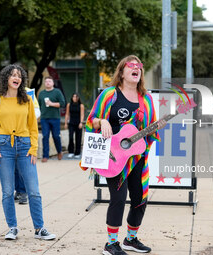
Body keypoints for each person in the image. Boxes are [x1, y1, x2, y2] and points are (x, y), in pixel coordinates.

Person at [83, 55, 166, 255]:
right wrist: (102, 122)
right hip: (115, 157)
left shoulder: (145, 99)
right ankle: (111, 243)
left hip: (137, 158)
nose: (137, 68)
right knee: (118, 198)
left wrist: (155, 128)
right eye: (132, 65)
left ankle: (131, 239)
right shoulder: (109, 94)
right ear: (122, 72)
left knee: (140, 198)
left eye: (140, 66)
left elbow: (149, 130)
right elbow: (91, 119)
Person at [0, 64, 56, 240]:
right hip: (4, 147)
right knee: (8, 191)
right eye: (13, 75)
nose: (16, 77)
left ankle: (39, 229)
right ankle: (12, 228)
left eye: (19, 75)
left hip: (25, 147)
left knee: (33, 190)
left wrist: (34, 148)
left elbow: (33, 126)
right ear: (6, 79)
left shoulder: (27, 100)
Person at [14, 88, 41, 205]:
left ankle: (23, 192)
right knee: (14, 168)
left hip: (24, 137)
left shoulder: (28, 93)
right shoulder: (4, 95)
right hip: (8, 138)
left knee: (22, 168)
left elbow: (37, 112)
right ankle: (18, 190)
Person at [38, 76, 65, 162]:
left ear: (53, 83)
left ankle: (59, 151)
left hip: (55, 118)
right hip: (44, 118)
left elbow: (62, 103)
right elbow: (38, 105)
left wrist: (51, 104)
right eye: (46, 82)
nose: (48, 83)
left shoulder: (57, 92)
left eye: (49, 81)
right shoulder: (41, 93)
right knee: (45, 136)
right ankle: (45, 156)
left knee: (56, 136)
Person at [64, 93, 85, 159]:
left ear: (78, 98)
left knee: (78, 138)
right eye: (73, 97)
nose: (74, 98)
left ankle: (77, 153)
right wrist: (65, 123)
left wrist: (81, 122)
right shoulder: (69, 105)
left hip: (78, 123)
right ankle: (71, 152)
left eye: (76, 97)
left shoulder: (81, 105)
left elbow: (82, 114)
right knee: (70, 137)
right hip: (71, 123)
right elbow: (67, 114)